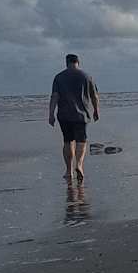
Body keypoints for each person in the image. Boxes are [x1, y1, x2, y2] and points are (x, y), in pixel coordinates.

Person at [48, 53, 100, 184]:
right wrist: (96, 110)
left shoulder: (59, 77)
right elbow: (94, 96)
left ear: (66, 63)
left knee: (67, 141)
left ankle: (68, 170)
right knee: (81, 141)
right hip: (82, 115)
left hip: (64, 115)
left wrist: (51, 114)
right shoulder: (86, 76)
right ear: (78, 62)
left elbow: (54, 96)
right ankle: (79, 165)